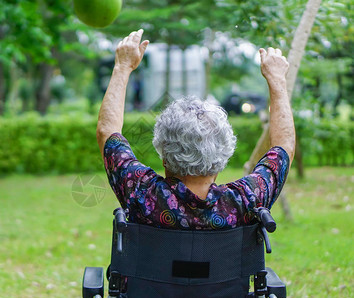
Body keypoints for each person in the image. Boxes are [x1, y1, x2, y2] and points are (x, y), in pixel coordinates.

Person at [96, 29, 295, 230]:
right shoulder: (248, 200)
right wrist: (277, 80)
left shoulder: (141, 193)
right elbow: (284, 146)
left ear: (165, 157)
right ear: (222, 159)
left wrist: (122, 67)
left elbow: (107, 132)